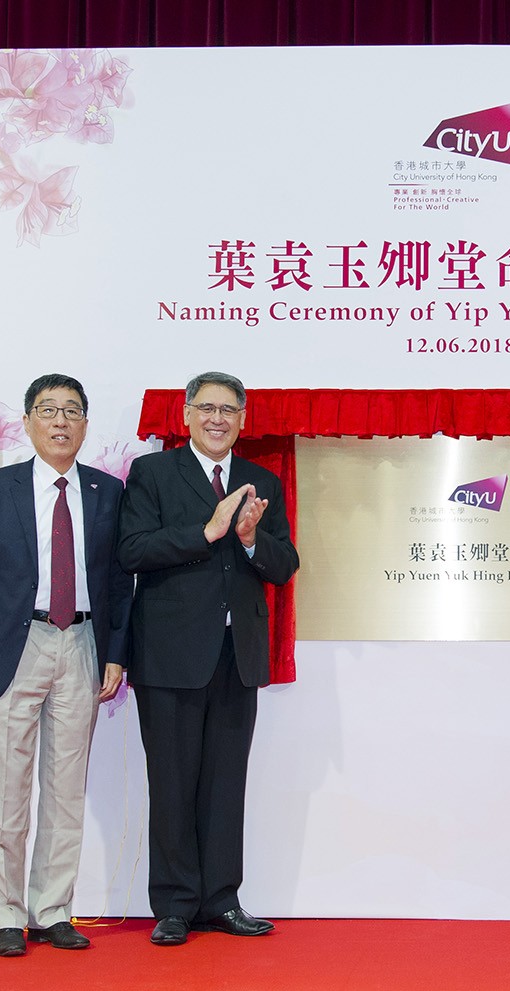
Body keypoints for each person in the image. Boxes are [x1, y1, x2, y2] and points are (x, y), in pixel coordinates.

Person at [0, 374, 131, 958]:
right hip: (11, 647)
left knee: (65, 786)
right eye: (47, 410)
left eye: (72, 411)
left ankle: (51, 910)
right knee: (5, 788)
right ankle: (3, 913)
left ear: (84, 424)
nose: (60, 421)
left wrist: (116, 652)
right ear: (26, 422)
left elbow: (120, 584)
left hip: (80, 643)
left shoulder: (106, 491)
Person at [118, 371, 299, 947]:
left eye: (229, 410)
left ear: (243, 420)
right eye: (207, 408)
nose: (218, 419)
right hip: (169, 654)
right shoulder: (153, 473)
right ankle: (173, 905)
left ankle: (222, 900)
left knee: (226, 782)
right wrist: (209, 529)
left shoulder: (259, 479)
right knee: (171, 781)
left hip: (235, 655)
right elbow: (132, 550)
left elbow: (285, 563)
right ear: (186, 415)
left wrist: (248, 538)